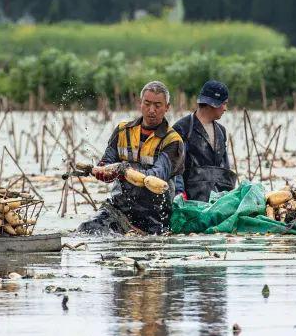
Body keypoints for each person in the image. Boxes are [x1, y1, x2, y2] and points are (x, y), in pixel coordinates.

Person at [76, 81, 186, 235]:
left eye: (158, 105)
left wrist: (124, 169)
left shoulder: (173, 140)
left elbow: (157, 177)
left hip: (154, 215)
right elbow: (106, 162)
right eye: (147, 104)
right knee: (87, 229)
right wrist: (102, 172)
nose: (151, 110)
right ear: (139, 103)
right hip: (119, 208)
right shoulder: (123, 130)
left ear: (167, 107)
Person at [172, 80, 237, 202]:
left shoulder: (221, 131)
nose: (225, 109)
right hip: (192, 200)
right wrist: (179, 193)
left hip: (217, 200)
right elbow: (176, 168)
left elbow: (225, 169)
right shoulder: (183, 128)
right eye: (224, 103)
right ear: (213, 104)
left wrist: (231, 197)